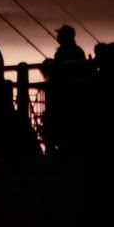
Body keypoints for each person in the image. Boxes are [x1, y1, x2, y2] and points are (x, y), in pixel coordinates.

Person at [42, 24, 89, 153]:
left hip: (64, 96)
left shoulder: (63, 51)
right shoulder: (78, 50)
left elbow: (60, 72)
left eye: (60, 34)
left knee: (61, 128)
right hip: (74, 96)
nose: (57, 37)